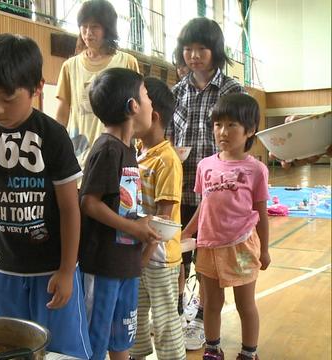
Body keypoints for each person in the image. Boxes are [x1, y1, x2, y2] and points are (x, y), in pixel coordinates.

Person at [0, 34, 92, 359]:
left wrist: (65, 270)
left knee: (63, 349)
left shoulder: (53, 136)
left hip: (50, 269)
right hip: (3, 269)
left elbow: (70, 208)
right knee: (13, 347)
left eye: (7, 98)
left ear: (36, 88)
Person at [166, 17, 246, 349]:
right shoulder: (177, 91)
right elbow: (168, 135)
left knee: (209, 261)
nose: (194, 55)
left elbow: (241, 140)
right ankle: (177, 315)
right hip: (181, 186)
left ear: (215, 51)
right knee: (177, 254)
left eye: (201, 48)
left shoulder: (230, 90)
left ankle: (201, 319)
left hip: (217, 193)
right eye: (188, 49)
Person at [181, 93, 270, 360]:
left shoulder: (255, 170)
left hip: (241, 246)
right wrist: (186, 232)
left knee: (245, 304)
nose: (223, 131)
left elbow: (262, 214)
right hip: (208, 246)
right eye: (218, 124)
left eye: (232, 125)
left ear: (250, 130)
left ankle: (248, 351)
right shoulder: (205, 165)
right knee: (212, 304)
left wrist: (264, 250)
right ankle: (212, 348)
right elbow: (205, 205)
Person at [80, 67, 160, 360]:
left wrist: (143, 227)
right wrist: (134, 229)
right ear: (133, 106)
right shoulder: (108, 150)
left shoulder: (128, 151)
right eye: (147, 95)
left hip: (125, 264)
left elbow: (122, 205)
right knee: (96, 341)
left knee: (121, 339)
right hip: (103, 267)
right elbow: (89, 202)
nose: (151, 103)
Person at [130, 77, 186, 360]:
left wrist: (145, 256)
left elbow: (163, 219)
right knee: (136, 318)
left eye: (134, 106)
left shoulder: (167, 160)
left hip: (160, 258)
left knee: (164, 322)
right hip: (139, 253)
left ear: (153, 115)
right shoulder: (138, 153)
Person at [55, 0, 139, 168]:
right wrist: (56, 147)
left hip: (118, 156)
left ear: (107, 29)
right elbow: (62, 113)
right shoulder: (70, 66)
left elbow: (138, 108)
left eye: (94, 27)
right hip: (79, 158)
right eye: (84, 26)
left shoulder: (127, 62)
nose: (88, 33)